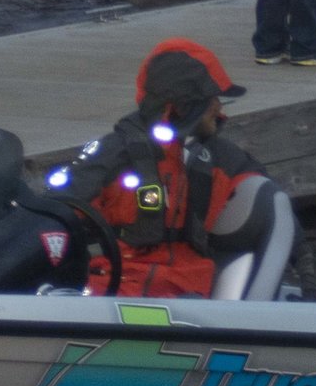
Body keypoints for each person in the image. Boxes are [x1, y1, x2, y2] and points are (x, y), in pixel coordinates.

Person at [53, 40, 266, 296]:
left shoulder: (221, 158)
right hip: (117, 289)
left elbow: (270, 199)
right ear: (184, 105)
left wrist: (301, 256)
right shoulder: (113, 156)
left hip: (183, 296)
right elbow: (56, 217)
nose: (219, 107)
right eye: (212, 99)